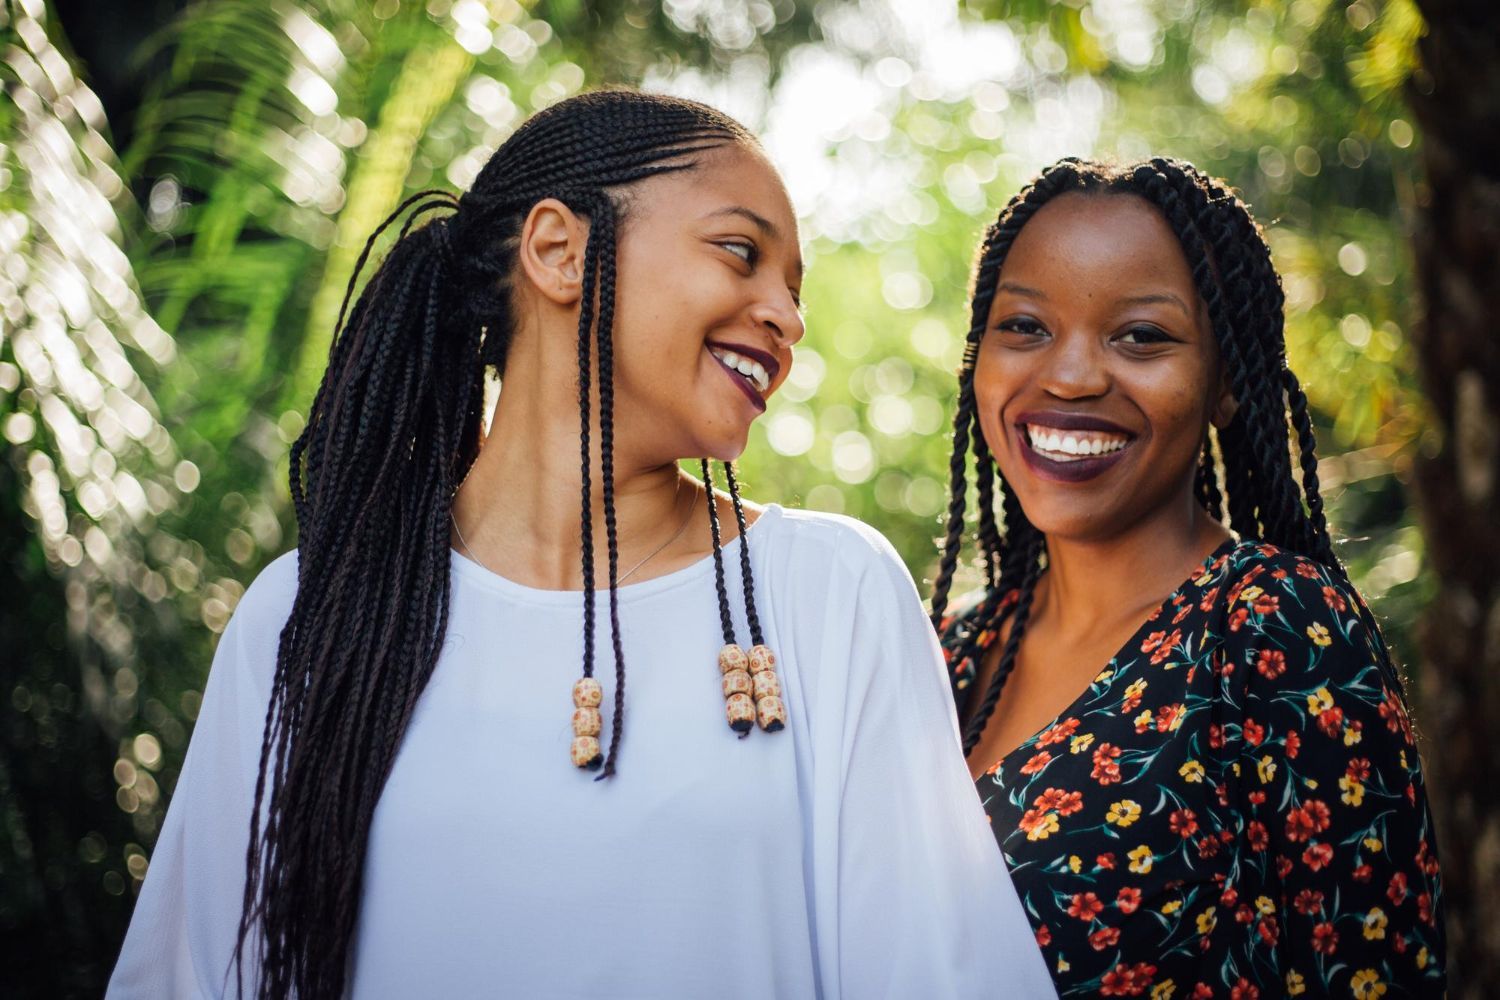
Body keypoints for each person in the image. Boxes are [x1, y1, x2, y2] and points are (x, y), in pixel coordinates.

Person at [107, 90, 1051, 999]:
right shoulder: (313, 613)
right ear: (560, 251)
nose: (788, 318)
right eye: (740, 253)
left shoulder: (829, 594)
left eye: (794, 291)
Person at [931, 157, 1446, 998]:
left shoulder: (1273, 627)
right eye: (1024, 326)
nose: (1069, 376)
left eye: (1141, 336)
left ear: (1225, 385)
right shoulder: (950, 646)